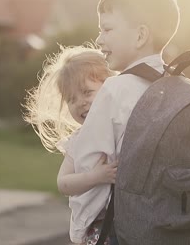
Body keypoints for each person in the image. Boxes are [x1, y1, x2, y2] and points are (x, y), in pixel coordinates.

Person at [62, 0, 181, 243]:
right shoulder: (177, 85)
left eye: (107, 29)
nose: (99, 39)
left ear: (140, 36)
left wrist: (81, 231)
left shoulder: (115, 90)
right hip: (168, 224)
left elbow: (87, 169)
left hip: (121, 229)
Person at [23, 45, 118, 244]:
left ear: (110, 86)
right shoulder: (78, 141)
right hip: (97, 227)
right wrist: (95, 176)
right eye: (71, 99)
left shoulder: (123, 125)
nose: (80, 102)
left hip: (129, 220)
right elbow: (63, 183)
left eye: (87, 92)